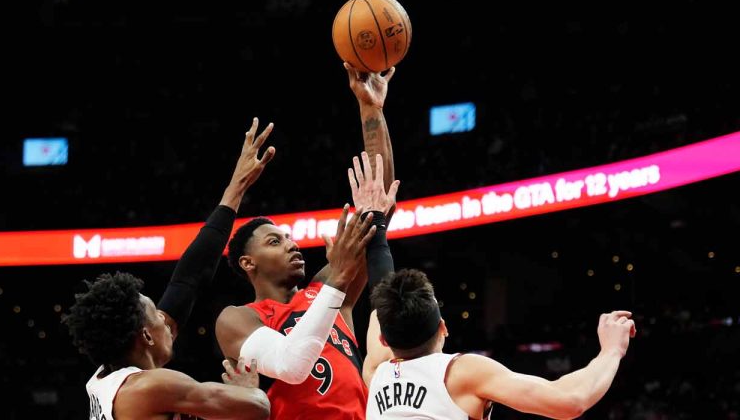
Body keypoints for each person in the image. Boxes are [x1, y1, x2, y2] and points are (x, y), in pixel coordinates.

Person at [213, 65, 400, 420]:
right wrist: (341, 278)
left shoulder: (322, 288)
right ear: (247, 263)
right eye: (274, 241)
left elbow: (378, 204)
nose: (291, 244)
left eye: (289, 237)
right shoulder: (238, 319)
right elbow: (288, 364)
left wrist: (370, 109)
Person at [64, 118, 276, 420]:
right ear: (146, 337)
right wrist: (247, 389)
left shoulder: (107, 376)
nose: (168, 320)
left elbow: (188, 280)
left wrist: (235, 188)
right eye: (159, 319)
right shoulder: (150, 387)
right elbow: (259, 406)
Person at [364, 269, 637, 419]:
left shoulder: (375, 374)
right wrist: (612, 351)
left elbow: (381, 307)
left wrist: (375, 221)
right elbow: (570, 400)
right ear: (443, 327)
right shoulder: (461, 372)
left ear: (383, 339)